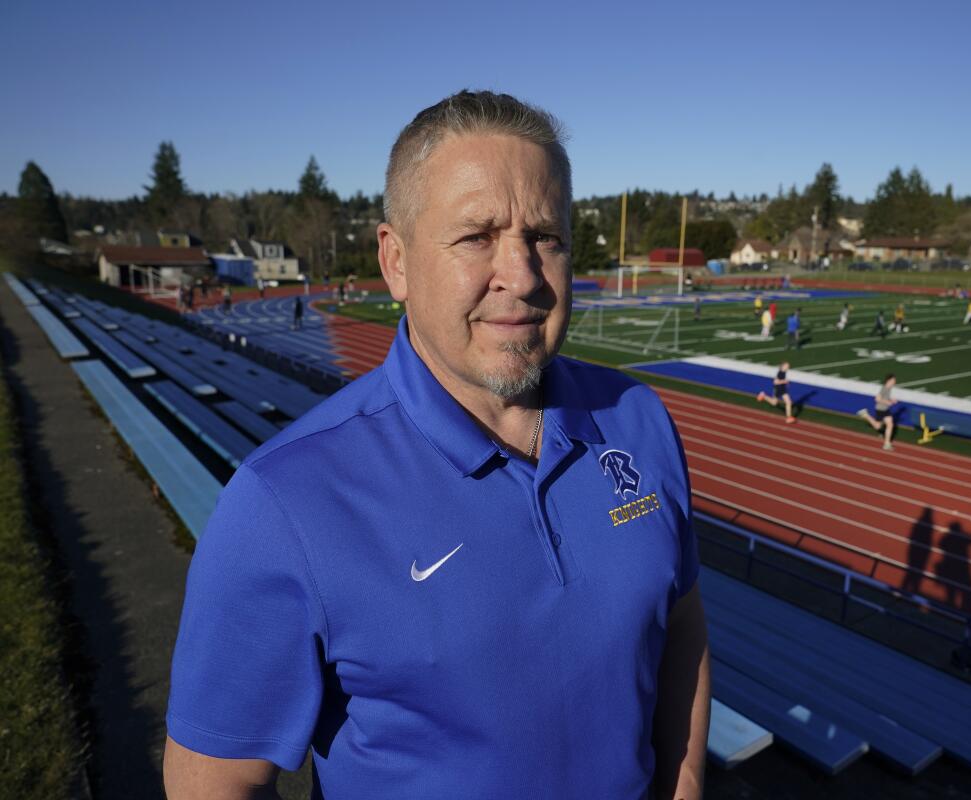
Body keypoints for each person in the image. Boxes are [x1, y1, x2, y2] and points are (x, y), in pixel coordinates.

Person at [163, 91, 710, 799]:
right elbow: (213, 783)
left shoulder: (639, 420)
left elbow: (682, 624)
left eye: (546, 236)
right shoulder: (285, 501)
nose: (522, 277)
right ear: (395, 262)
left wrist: (686, 778)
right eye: (477, 236)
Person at [857, 373, 898, 451]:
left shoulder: (889, 388)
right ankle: (865, 415)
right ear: (889, 380)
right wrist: (888, 402)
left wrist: (892, 400)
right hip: (880, 410)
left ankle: (887, 444)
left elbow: (886, 397)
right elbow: (877, 399)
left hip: (886, 410)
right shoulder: (885, 388)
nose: (895, 381)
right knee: (877, 426)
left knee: (890, 424)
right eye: (893, 380)